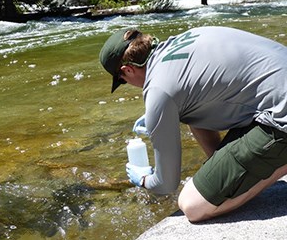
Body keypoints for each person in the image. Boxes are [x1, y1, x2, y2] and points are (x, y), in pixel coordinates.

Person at [99, 26, 287, 222]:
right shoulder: (189, 36)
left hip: (282, 119)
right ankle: (235, 177)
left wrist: (144, 178)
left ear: (127, 70)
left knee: (192, 204)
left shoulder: (158, 90)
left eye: (123, 80)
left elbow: (165, 184)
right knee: (191, 115)